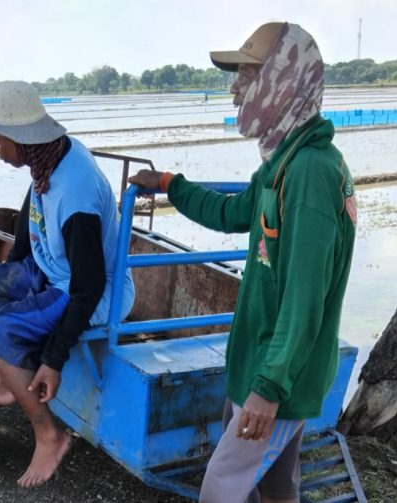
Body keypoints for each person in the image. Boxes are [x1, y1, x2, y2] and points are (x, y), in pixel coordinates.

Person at [129, 22, 356, 503]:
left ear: (286, 80)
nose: (235, 88)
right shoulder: (280, 165)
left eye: (248, 74)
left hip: (277, 374)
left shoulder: (311, 174)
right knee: (275, 487)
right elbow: (231, 213)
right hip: (261, 363)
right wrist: (172, 183)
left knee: (221, 489)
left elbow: (304, 296)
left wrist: (270, 387)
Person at [0, 81, 136, 488]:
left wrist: (53, 358)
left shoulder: (75, 193)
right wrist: (7, 280)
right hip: (59, 271)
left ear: (23, 140)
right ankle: (2, 379)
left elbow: (88, 287)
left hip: (95, 291)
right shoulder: (47, 158)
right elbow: (29, 224)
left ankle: (49, 435)